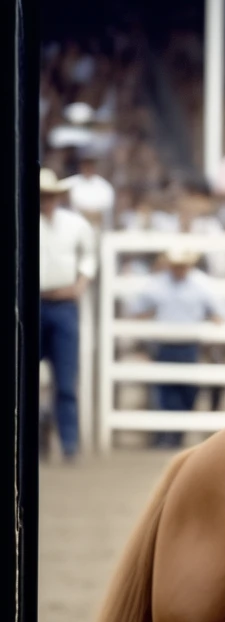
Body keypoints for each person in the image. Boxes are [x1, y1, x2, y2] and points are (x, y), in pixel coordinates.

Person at [134, 249, 225, 448]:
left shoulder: (201, 284)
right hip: (164, 344)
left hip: (189, 345)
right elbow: (136, 308)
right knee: (165, 392)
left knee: (187, 391)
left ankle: (175, 435)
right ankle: (167, 437)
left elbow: (222, 312)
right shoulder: (158, 284)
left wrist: (213, 317)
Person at [39, 167, 97, 463]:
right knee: (27, 380)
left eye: (49, 195)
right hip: (34, 304)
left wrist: (80, 284)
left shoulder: (75, 225)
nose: (45, 200)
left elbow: (89, 256)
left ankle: (69, 444)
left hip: (62, 304)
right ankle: (37, 443)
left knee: (64, 380)